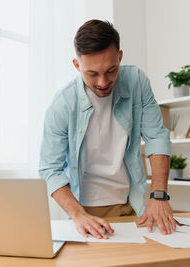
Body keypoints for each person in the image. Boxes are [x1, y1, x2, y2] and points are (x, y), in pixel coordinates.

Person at [39, 19, 176, 239]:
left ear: (120, 57)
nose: (103, 82)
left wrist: (159, 196)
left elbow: (156, 136)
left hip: (134, 202)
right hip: (86, 211)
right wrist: (78, 215)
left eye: (111, 70)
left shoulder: (136, 81)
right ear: (77, 65)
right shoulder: (62, 104)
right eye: (92, 74)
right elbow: (50, 170)